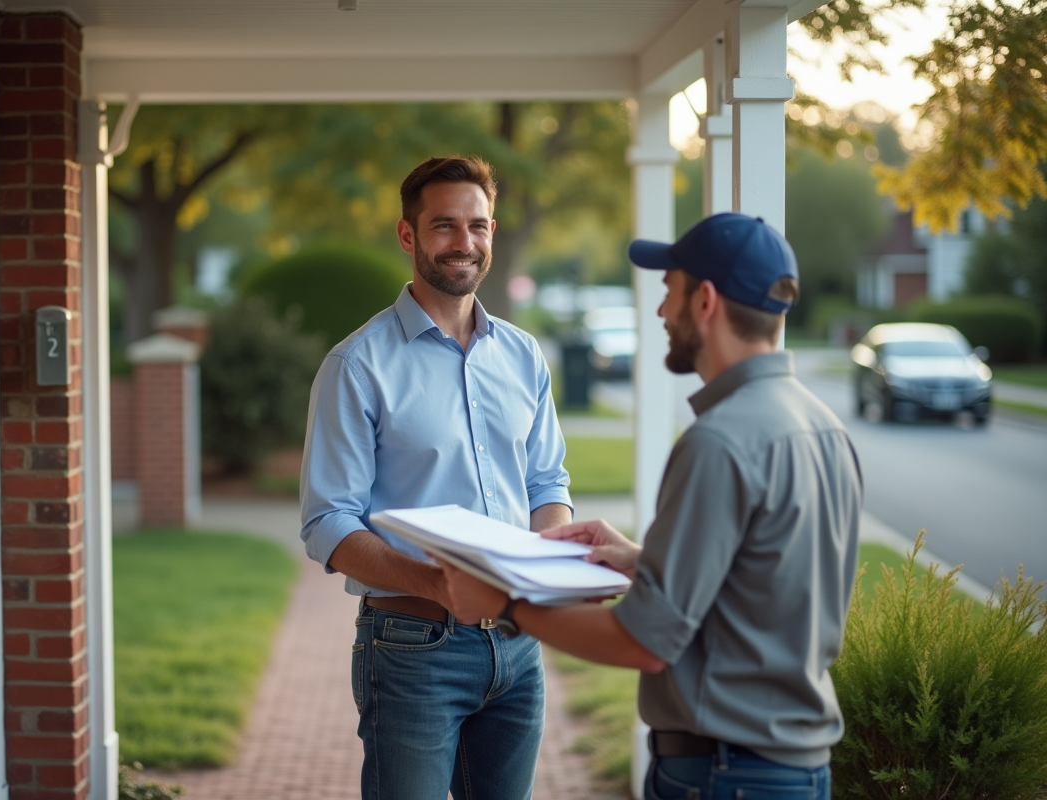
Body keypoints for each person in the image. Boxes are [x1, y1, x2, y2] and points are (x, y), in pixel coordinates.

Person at [440, 213, 862, 799]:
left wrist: (506, 604)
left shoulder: (720, 441)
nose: (662, 312)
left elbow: (643, 641)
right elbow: (772, 581)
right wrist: (644, 560)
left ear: (706, 301)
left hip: (722, 775)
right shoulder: (821, 426)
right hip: (795, 770)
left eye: (670, 292)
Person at [299, 155, 574, 800]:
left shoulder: (523, 354)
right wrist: (441, 585)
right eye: (444, 225)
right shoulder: (357, 365)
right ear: (408, 236)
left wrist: (546, 560)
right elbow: (327, 522)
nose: (464, 243)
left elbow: (545, 483)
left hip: (517, 648)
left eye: (476, 226)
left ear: (493, 231)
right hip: (410, 648)